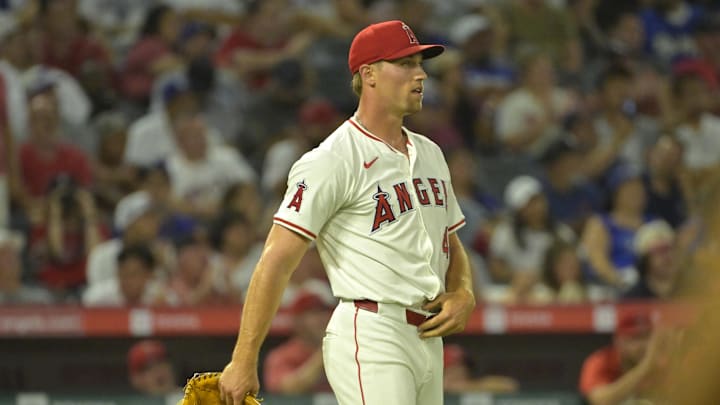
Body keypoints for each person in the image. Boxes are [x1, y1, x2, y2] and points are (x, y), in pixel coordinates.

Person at [219, 20, 475, 405]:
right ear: (368, 74)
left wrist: (464, 291)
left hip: (427, 337)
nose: (420, 73)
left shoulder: (431, 154)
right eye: (405, 64)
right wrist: (243, 357)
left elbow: (450, 242)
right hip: (373, 331)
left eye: (420, 63)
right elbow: (275, 260)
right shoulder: (333, 159)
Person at [579, 311, 673, 405]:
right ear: (618, 341)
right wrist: (647, 365)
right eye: (635, 338)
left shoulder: (665, 361)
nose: (643, 345)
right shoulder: (601, 361)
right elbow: (601, 401)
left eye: (647, 336)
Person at [263, 289, 334, 394]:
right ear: (297, 320)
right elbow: (289, 390)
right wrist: (325, 350)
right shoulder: (282, 356)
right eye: (314, 314)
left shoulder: (344, 351)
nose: (322, 319)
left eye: (324, 313)